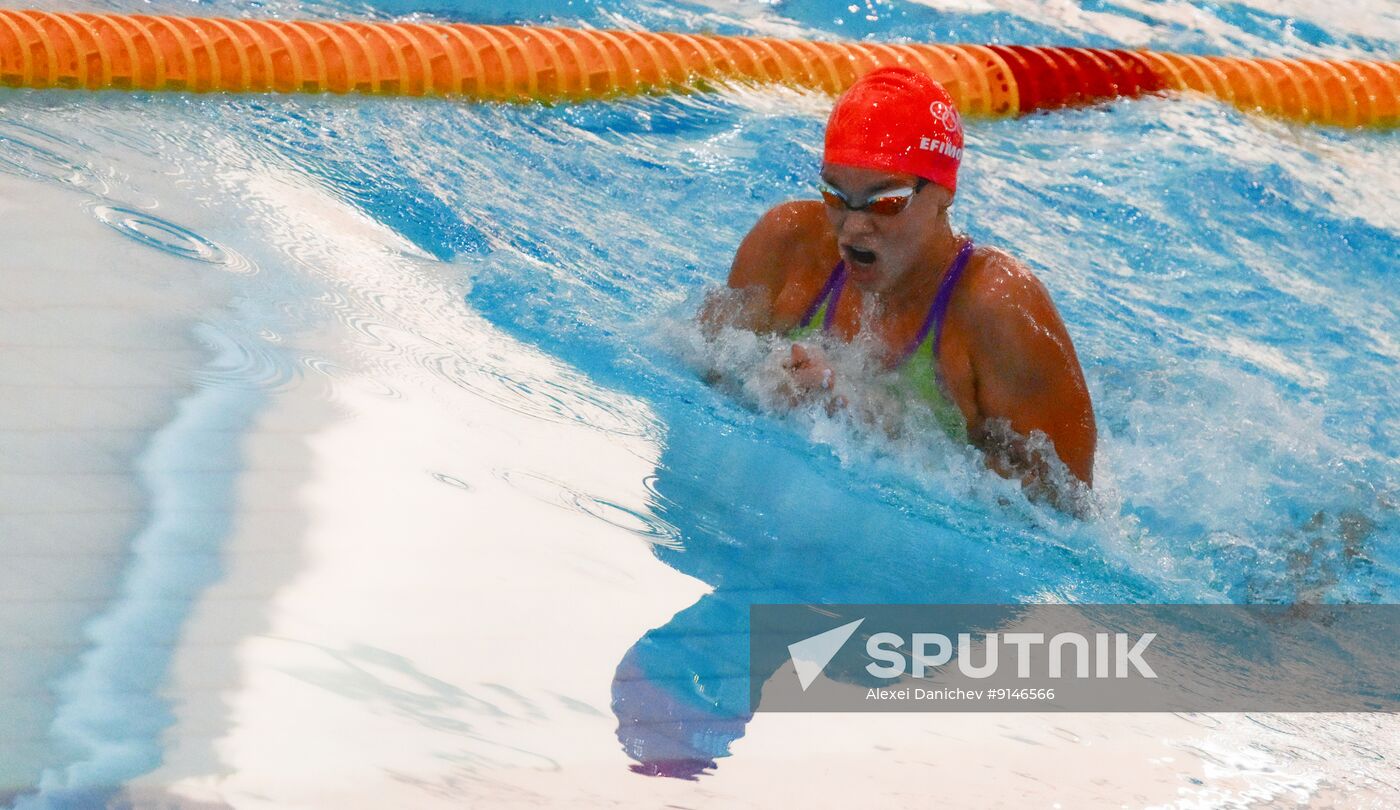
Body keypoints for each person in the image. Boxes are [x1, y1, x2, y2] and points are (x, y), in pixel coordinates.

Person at [701, 66, 1097, 504]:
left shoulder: (998, 310)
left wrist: (878, 429)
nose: (851, 229)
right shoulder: (787, 246)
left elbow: (1063, 512)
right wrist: (761, 386)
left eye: (885, 202)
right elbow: (701, 371)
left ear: (945, 194)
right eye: (834, 196)